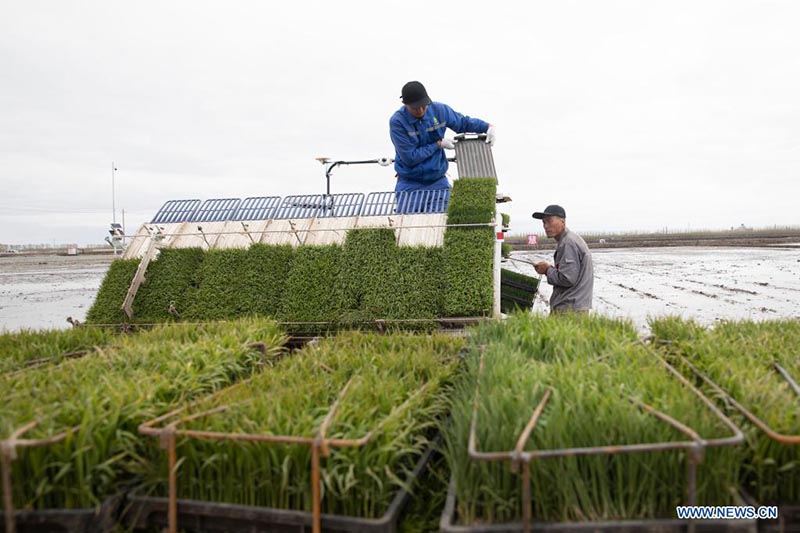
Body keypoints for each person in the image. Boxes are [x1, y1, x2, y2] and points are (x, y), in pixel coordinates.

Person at [389, 81, 495, 212]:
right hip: (410, 183)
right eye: (415, 108)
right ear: (405, 104)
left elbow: (462, 123)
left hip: (437, 181)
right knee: (408, 222)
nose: (421, 110)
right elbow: (410, 157)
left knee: (441, 220)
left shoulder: (439, 111)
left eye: (423, 105)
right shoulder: (398, 122)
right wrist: (438, 145)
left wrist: (487, 127)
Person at [532, 205, 594, 313]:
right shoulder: (569, 240)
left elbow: (567, 278)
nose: (546, 226)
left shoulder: (568, 243)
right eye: (544, 222)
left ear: (563, 221)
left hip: (570, 310)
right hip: (574, 307)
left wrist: (547, 270)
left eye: (549, 221)